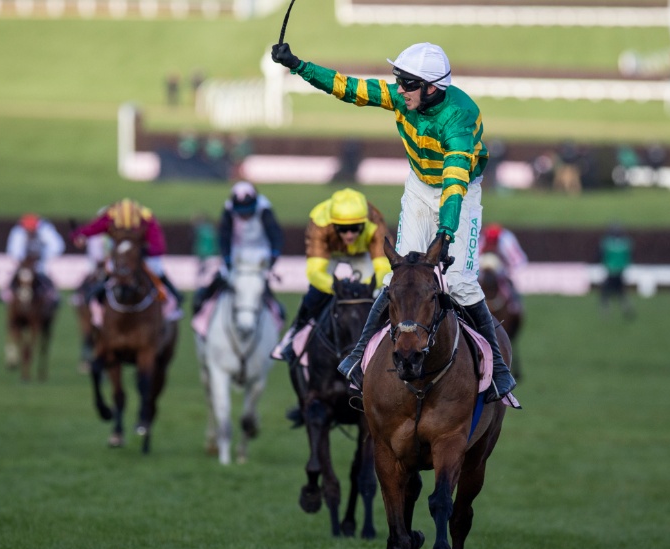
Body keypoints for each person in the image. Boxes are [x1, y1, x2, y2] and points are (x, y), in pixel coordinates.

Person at [271, 40, 516, 402]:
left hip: (459, 192)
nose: (399, 91)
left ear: (432, 88)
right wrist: (297, 65)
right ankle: (358, 357)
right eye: (398, 82)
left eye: (406, 84)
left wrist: (446, 233)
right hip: (419, 187)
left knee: (460, 283)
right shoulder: (408, 95)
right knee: (398, 276)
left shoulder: (459, 120)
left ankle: (497, 366)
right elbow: (349, 88)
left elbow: (454, 185)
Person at [276, 188, 392, 363]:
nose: (349, 234)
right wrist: (340, 288)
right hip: (330, 253)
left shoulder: (375, 220)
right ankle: (294, 332)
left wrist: (364, 288)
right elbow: (315, 272)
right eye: (343, 229)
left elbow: (383, 267)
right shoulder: (320, 222)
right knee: (316, 292)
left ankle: (387, 337)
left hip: (362, 254)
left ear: (365, 223)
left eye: (355, 228)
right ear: (332, 224)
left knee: (379, 292)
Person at [191, 181, 284, 316]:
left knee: (261, 284)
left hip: (260, 253)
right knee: (222, 276)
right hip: (237, 252)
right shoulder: (229, 210)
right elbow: (224, 236)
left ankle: (275, 311)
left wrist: (274, 255)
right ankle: (202, 301)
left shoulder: (264, 209)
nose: (244, 216)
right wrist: (227, 258)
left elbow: (275, 234)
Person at [70, 198, 183, 305]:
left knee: (156, 269)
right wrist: (79, 235)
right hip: (120, 255)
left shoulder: (145, 217)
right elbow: (93, 228)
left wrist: (145, 252)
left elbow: (158, 246)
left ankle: (173, 295)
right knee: (109, 268)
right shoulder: (112, 216)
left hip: (142, 255)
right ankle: (95, 296)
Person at [0, 213, 65, 305]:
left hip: (41, 258)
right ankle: (7, 291)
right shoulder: (18, 231)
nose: (30, 230)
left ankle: (51, 292)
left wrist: (44, 257)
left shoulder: (45, 229)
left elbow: (56, 246)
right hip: (25, 260)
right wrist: (23, 261)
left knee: (44, 272)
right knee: (15, 272)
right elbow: (14, 250)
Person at [598, 224, 635, 319]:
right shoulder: (626, 243)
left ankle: (606, 311)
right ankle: (626, 308)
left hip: (610, 271)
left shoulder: (607, 243)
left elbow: (602, 256)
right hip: (620, 271)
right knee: (621, 292)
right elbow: (628, 257)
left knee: (605, 292)